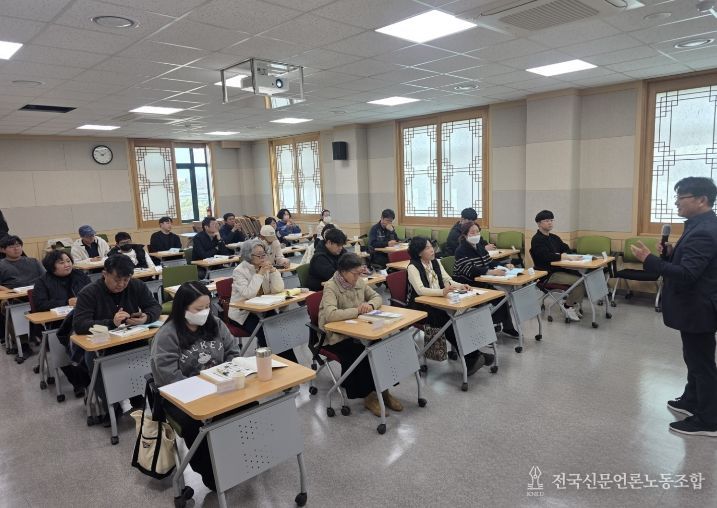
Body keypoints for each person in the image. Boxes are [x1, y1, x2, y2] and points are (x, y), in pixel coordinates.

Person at [630, 177, 717, 437]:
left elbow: (687, 274)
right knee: (694, 357)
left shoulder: (704, 231)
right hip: (695, 306)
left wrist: (649, 260)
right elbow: (694, 264)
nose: (677, 202)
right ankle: (692, 400)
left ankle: (709, 420)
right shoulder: (701, 225)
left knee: (701, 362)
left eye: (681, 197)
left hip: (698, 307)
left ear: (701, 200)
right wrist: (669, 254)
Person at [151, 281, 241, 491]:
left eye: (207, 307)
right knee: (196, 424)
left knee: (247, 405)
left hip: (219, 387)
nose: (205, 312)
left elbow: (233, 353)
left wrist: (226, 377)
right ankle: (212, 474)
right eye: (198, 309)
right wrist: (204, 389)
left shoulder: (215, 324)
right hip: (183, 397)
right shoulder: (167, 335)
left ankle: (241, 459)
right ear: (183, 309)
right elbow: (168, 377)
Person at [73, 255, 161, 415]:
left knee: (146, 355)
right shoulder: (89, 293)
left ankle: (137, 395)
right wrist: (111, 323)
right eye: (117, 279)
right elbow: (80, 325)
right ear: (104, 274)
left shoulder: (136, 285)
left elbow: (155, 306)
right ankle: (112, 406)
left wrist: (146, 317)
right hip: (101, 346)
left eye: (126, 280)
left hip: (132, 340)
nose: (121, 284)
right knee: (99, 363)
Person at [319, 252, 396, 416]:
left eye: (360, 273)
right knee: (358, 352)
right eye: (355, 273)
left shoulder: (358, 281)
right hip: (337, 335)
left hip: (359, 330)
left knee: (380, 345)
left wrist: (370, 305)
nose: (358, 277)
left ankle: (384, 390)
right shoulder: (331, 286)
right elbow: (330, 315)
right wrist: (357, 311)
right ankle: (368, 396)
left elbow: (376, 296)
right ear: (343, 271)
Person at [406, 236, 494, 374]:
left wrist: (461, 285)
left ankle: (475, 355)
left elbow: (447, 279)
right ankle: (472, 358)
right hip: (421, 307)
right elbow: (420, 290)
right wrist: (442, 292)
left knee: (460, 320)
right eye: (427, 248)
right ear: (419, 252)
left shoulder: (435, 262)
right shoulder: (413, 267)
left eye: (431, 246)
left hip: (439, 302)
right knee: (449, 321)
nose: (432, 250)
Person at [227, 239, 297, 362]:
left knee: (281, 332)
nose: (263, 257)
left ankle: (292, 365)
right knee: (266, 333)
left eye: (264, 254)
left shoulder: (264, 266)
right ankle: (271, 364)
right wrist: (260, 274)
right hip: (244, 312)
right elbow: (249, 294)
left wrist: (274, 271)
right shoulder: (239, 271)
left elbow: (278, 289)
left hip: (264, 308)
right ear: (249, 256)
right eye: (259, 255)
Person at [34, 250, 91, 396]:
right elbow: (40, 305)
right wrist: (65, 302)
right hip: (58, 323)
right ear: (51, 266)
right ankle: (78, 382)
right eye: (61, 262)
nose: (67, 265)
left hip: (82, 318)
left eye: (68, 261)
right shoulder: (42, 281)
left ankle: (90, 378)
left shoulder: (80, 275)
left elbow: (93, 293)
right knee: (60, 343)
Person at [453, 222, 519, 336]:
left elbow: (489, 262)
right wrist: (491, 272)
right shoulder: (461, 250)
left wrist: (504, 265)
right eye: (472, 232)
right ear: (465, 235)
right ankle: (491, 327)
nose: (476, 235)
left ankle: (506, 326)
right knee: (493, 298)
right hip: (467, 285)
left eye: (477, 232)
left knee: (501, 296)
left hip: (481, 281)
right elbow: (470, 270)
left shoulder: (479, 246)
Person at [530, 210, 586, 321]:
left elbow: (566, 248)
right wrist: (561, 256)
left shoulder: (554, 237)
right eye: (547, 221)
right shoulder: (536, 240)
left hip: (559, 270)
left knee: (582, 277)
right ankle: (568, 306)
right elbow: (545, 256)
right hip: (547, 274)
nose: (550, 223)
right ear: (539, 223)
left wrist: (564, 255)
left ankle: (573, 304)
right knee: (579, 282)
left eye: (551, 220)